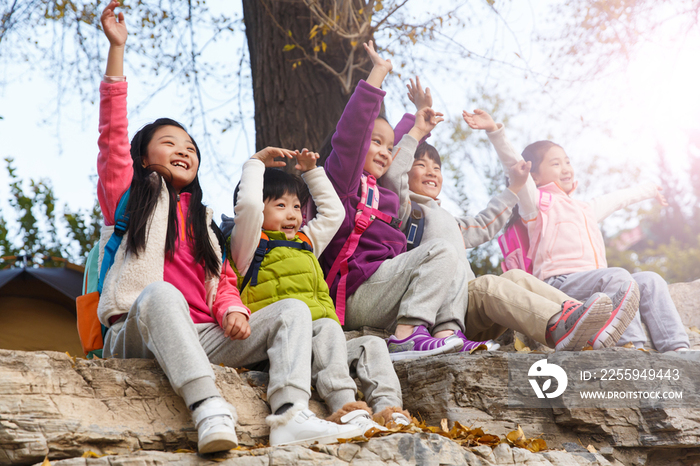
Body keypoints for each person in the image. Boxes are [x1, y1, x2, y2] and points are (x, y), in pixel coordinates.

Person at [96, 1, 361, 452]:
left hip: (201, 336)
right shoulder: (130, 198)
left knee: (293, 311)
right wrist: (117, 52)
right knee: (163, 293)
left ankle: (290, 413)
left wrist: (231, 309)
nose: (183, 150)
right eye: (169, 143)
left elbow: (221, 282)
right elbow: (112, 138)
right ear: (144, 158)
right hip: (137, 329)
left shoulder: (202, 221)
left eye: (190, 147)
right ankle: (207, 405)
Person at [381, 78, 634, 352]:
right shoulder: (406, 210)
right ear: (408, 170)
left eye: (437, 167)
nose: (431, 171)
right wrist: (417, 128)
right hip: (437, 309)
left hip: (466, 304)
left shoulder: (449, 222)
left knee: (515, 276)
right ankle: (558, 326)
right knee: (490, 283)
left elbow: (483, 225)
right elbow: (393, 172)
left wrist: (514, 187)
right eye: (421, 164)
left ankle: (582, 320)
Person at [465, 108, 689, 352]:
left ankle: (677, 348)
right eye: (556, 163)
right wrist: (495, 132)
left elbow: (618, 199)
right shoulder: (537, 203)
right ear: (535, 176)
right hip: (559, 283)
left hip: (596, 282)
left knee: (650, 280)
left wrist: (649, 190)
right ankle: (628, 347)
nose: (566, 168)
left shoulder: (585, 208)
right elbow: (515, 167)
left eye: (567, 162)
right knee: (618, 276)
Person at [223, 148, 411, 434]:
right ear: (261, 211)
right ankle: (345, 408)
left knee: (371, 345)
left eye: (297, 207)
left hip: (324, 347)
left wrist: (312, 172)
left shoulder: (305, 242)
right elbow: (248, 206)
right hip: (285, 348)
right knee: (324, 326)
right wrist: (254, 164)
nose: (292, 214)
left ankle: (390, 412)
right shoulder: (248, 246)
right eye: (280, 206)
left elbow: (333, 213)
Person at [320, 41, 469, 361]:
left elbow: (395, 152)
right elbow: (353, 133)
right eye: (376, 143)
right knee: (439, 251)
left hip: (385, 287)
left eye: (389, 146)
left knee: (451, 257)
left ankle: (446, 332)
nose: (386, 151)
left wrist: (417, 125)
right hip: (355, 294)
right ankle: (406, 336)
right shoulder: (344, 185)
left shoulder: (385, 194)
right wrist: (378, 73)